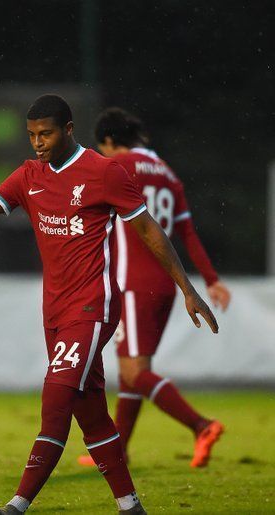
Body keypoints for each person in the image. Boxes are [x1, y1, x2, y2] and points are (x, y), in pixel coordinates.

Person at [0, 94, 218, 514]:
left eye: (45, 133)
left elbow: (148, 229)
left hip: (93, 305)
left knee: (56, 398)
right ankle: (130, 507)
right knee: (92, 415)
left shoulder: (104, 172)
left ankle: (17, 506)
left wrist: (188, 288)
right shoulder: (29, 175)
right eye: (31, 135)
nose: (37, 143)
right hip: (55, 313)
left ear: (68, 130)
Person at [74, 107, 230, 468]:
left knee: (132, 372)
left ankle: (200, 424)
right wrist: (211, 280)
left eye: (104, 147)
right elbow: (187, 232)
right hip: (167, 283)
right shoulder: (168, 173)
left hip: (132, 283)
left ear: (110, 142)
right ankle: (119, 451)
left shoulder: (119, 166)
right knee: (135, 368)